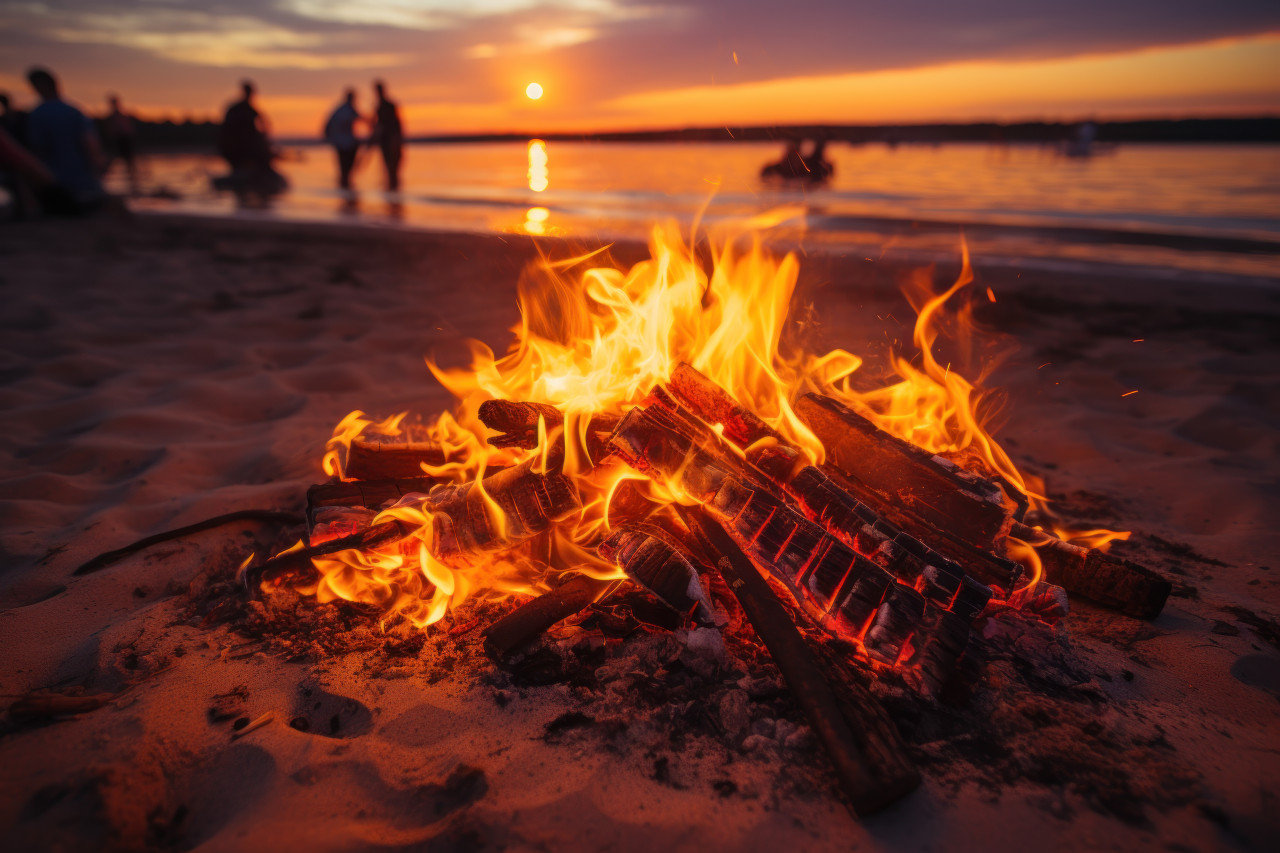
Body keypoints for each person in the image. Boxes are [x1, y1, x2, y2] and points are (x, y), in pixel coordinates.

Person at [24, 67, 105, 214]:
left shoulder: (37, 114)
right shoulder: (75, 111)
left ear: (39, 86)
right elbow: (92, 148)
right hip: (86, 187)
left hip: (55, 190)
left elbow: (36, 150)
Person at [216, 79, 284, 199]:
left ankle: (243, 194)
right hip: (239, 150)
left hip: (237, 150)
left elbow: (265, 125)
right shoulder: (241, 109)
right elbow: (264, 125)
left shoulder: (245, 109)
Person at [324, 88, 362, 190]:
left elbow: (326, 126)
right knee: (347, 170)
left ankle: (345, 188)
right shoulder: (347, 109)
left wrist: (330, 138)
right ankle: (346, 186)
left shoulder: (339, 110)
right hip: (347, 145)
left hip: (340, 144)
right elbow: (361, 118)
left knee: (344, 170)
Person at [369, 80, 403, 192]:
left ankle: (394, 192)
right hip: (385, 141)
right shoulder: (379, 106)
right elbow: (376, 124)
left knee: (393, 168)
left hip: (391, 141)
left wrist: (396, 139)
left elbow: (396, 123)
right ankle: (392, 193)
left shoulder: (388, 105)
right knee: (390, 168)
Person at [103, 94, 139, 192]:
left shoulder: (120, 115)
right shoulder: (115, 116)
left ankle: (134, 184)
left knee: (129, 163)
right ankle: (102, 184)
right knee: (114, 162)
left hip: (125, 141)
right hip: (118, 141)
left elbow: (127, 129)